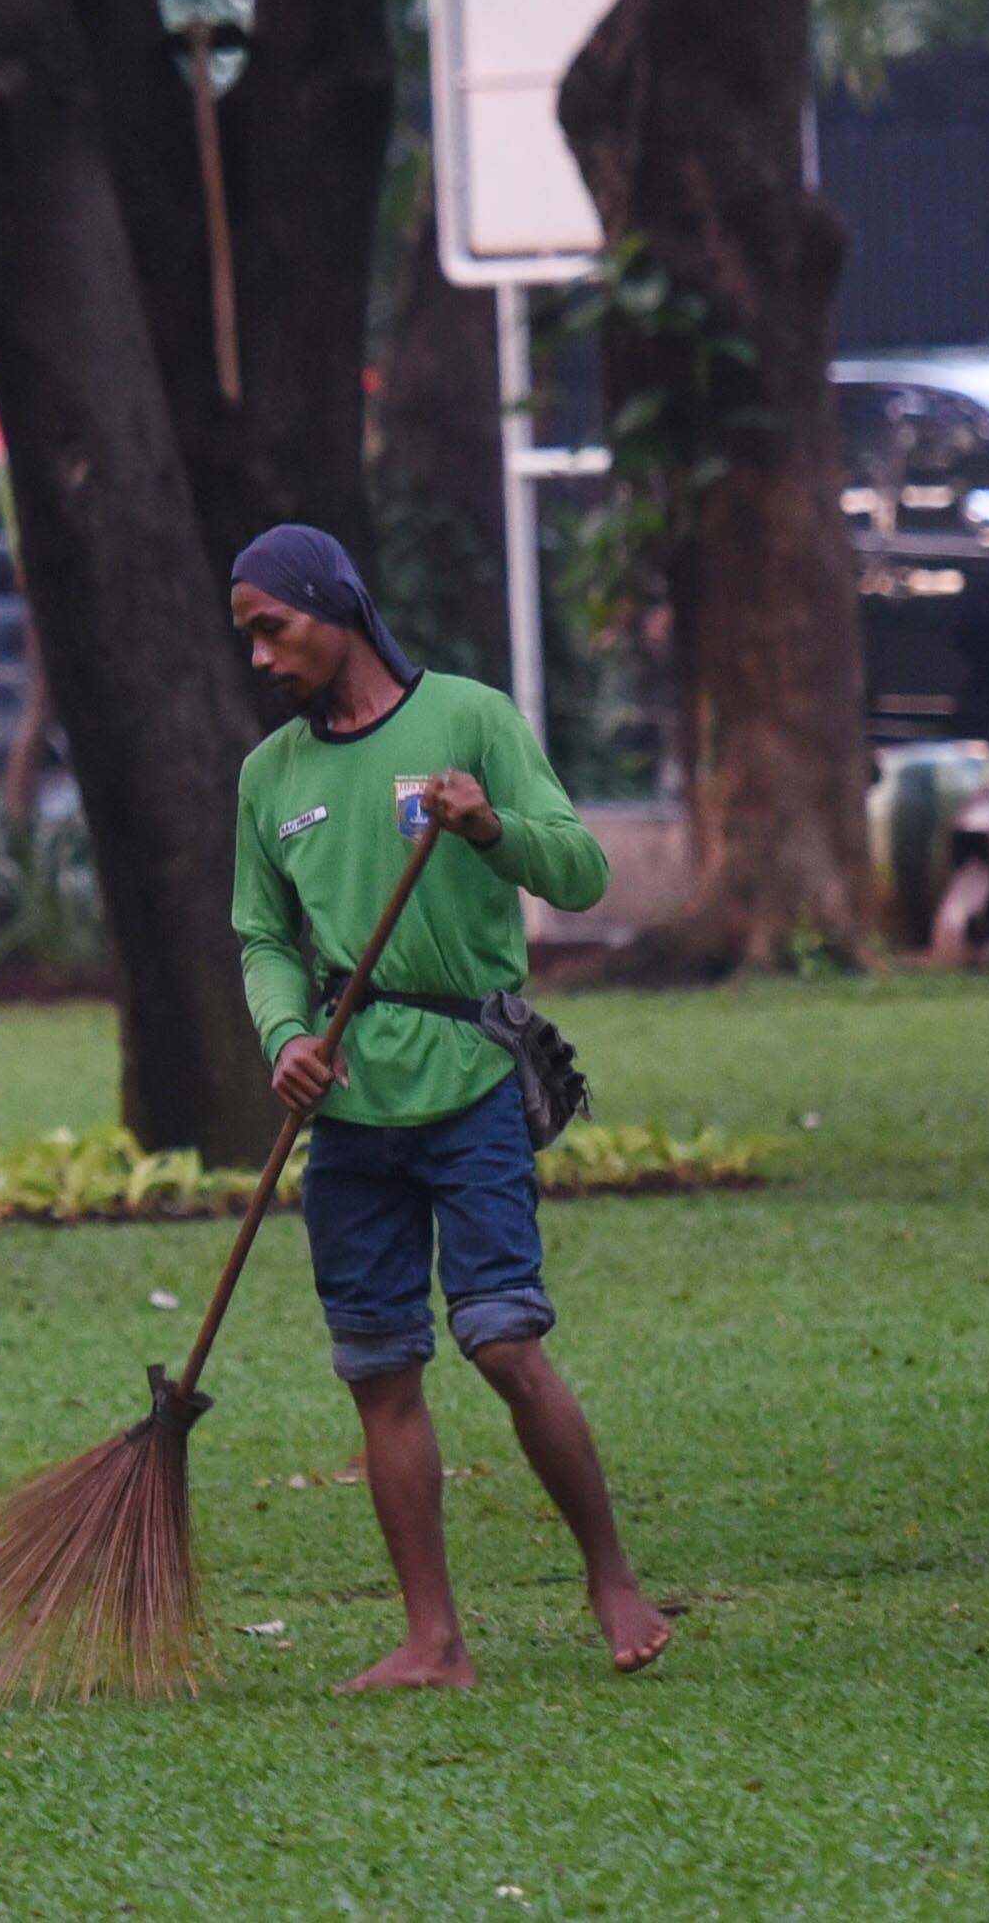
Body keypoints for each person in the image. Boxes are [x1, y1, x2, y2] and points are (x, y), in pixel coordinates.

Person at [223, 523, 669, 1690]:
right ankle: (434, 1639)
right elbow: (265, 937)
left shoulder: (468, 719)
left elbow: (578, 870)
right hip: (349, 1103)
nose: (260, 656)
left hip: (469, 1078)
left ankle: (611, 1575)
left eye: (273, 626)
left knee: (504, 1340)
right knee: (378, 1367)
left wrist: (488, 826)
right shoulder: (269, 776)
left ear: (338, 604)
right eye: (247, 637)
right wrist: (285, 1040)